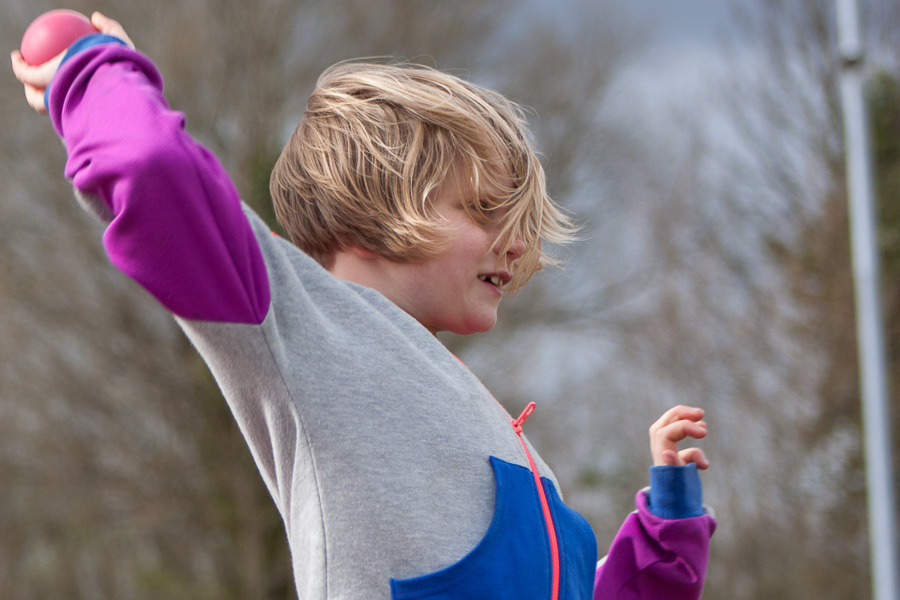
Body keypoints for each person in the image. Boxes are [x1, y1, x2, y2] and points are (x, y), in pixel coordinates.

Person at [11, 12, 716, 600]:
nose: (518, 243)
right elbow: (149, 165)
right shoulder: (294, 322)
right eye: (481, 210)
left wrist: (665, 527)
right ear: (372, 206)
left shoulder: (500, 437)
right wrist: (94, 69)